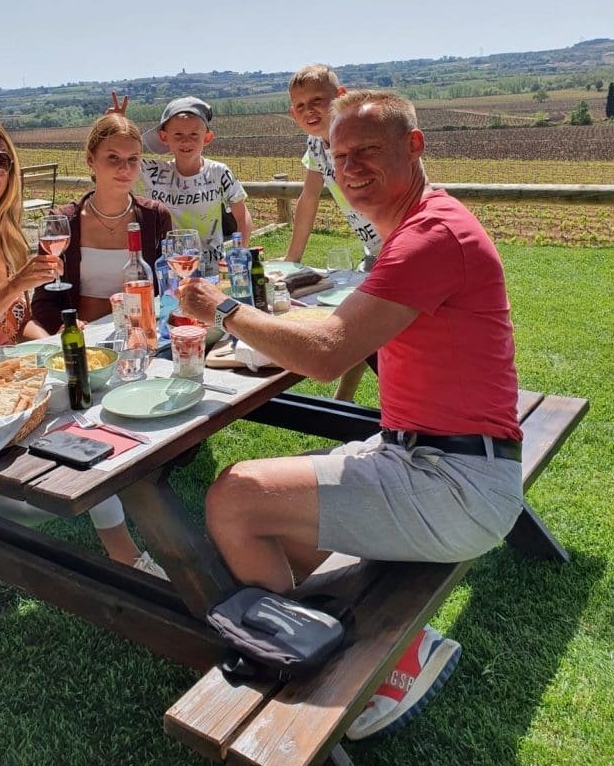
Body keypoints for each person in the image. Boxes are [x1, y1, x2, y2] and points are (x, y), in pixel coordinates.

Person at [178, 90, 524, 740]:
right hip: (443, 458)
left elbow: (328, 354)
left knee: (233, 500)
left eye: (366, 151)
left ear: (413, 146)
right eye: (339, 156)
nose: (350, 167)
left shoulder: (428, 237)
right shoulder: (422, 222)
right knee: (281, 534)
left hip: (453, 485)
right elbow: (340, 324)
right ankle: (369, 642)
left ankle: (336, 671)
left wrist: (222, 310)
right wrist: (276, 315)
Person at [0, 111, 166, 618]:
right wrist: (18, 284)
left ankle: (109, 552)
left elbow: (17, 324)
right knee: (75, 439)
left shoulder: (8, 234)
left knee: (93, 428)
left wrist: (62, 350)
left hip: (6, 380)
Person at [284, 63, 384, 400]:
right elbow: (308, 198)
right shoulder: (315, 146)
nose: (309, 111)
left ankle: (406, 410)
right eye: (300, 106)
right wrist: (291, 261)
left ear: (340, 96)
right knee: (357, 322)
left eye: (317, 101)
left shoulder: (364, 133)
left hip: (402, 244)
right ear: (292, 113)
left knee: (380, 329)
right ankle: (344, 400)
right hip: (375, 250)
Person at [31, 114, 172, 331]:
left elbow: (169, 287)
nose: (124, 168)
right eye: (113, 157)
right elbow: (43, 302)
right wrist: (66, 325)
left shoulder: (155, 217)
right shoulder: (61, 224)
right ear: (90, 159)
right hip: (88, 344)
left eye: (133, 159)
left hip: (141, 337)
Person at [107, 93, 251, 274]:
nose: (186, 141)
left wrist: (241, 253)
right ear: (164, 137)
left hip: (213, 272)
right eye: (178, 135)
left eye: (194, 134)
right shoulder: (152, 173)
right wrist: (116, 125)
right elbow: (121, 157)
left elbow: (242, 216)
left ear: (207, 138)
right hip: (169, 272)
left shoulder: (219, 172)